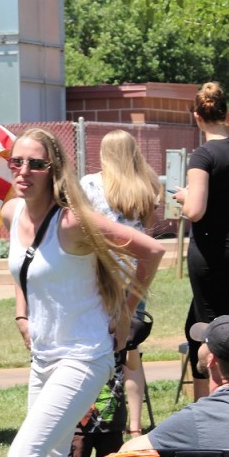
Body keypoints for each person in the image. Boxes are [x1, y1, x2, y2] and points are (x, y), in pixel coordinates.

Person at [1, 127, 164, 457]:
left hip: (83, 356)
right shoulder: (14, 212)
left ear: (54, 170)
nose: (24, 171)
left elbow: (151, 251)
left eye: (36, 163)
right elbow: (23, 268)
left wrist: (126, 313)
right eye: (16, 162)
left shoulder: (73, 222)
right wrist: (22, 315)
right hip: (45, 358)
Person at [174, 81, 229, 401]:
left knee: (215, 332)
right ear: (226, 114)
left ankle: (224, 402)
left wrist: (184, 197)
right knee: (197, 324)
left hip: (212, 252)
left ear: (197, 117)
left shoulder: (204, 155)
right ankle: (203, 401)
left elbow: (195, 211)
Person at [79, 130, 161, 438]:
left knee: (98, 345)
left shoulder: (89, 184)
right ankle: (136, 425)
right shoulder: (148, 187)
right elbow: (148, 237)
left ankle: (94, 414)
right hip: (136, 276)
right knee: (130, 349)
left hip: (101, 276)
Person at [120, 316, 229, 454]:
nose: (199, 346)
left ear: (211, 360)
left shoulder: (196, 418)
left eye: (204, 342)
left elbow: (125, 454)